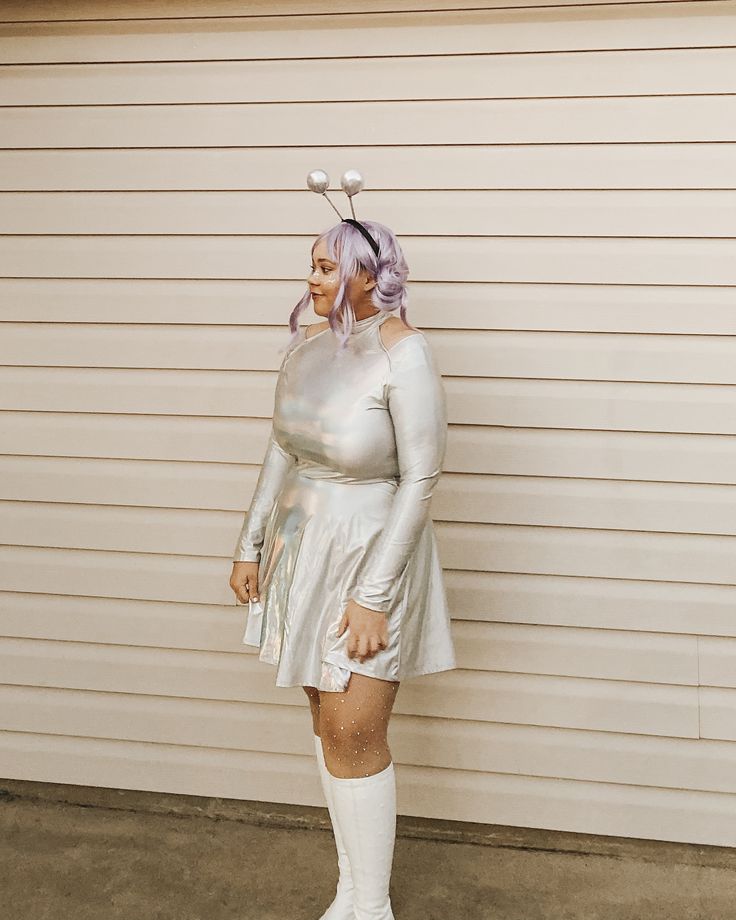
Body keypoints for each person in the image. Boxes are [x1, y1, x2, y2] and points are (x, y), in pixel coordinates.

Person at [229, 188, 456, 919]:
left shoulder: (405, 355)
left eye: (328, 266)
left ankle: (373, 906)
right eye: (313, 266)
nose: (314, 278)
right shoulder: (308, 350)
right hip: (305, 552)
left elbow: (421, 477)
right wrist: (250, 543)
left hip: (369, 555)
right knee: (328, 724)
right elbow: (279, 451)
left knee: (356, 726)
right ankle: (351, 893)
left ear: (367, 273)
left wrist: (374, 596)